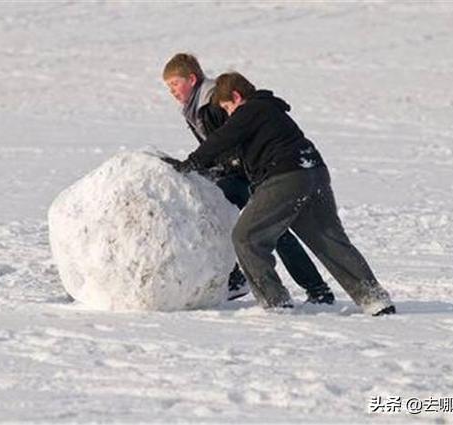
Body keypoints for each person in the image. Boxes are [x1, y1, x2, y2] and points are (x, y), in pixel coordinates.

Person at [167, 71, 395, 316]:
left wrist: (189, 164)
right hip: (313, 170)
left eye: (227, 107)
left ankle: (275, 302)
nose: (228, 114)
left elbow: (222, 138)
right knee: (329, 239)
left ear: (236, 96)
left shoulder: (250, 110)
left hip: (285, 177)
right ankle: (375, 299)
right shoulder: (270, 110)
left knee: (246, 237)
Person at [162, 53, 335, 304]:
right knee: (230, 218)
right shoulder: (194, 107)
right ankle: (246, 279)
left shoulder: (212, 102)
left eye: (175, 84)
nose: (172, 92)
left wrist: (198, 165)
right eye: (168, 87)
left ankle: (313, 289)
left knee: (270, 230)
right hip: (237, 173)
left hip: (251, 174)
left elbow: (232, 139)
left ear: (191, 78)